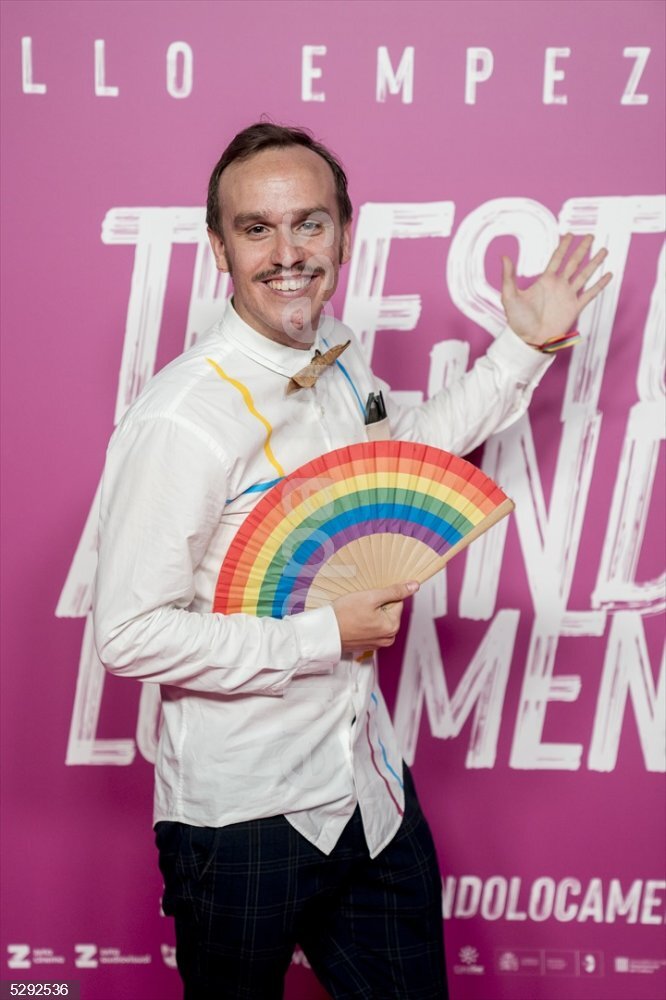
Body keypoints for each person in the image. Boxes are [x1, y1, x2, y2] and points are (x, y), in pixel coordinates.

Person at [93, 122, 611, 1000]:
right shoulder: (184, 418)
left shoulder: (338, 360)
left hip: (366, 790)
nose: (288, 252)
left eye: (310, 224)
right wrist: (318, 637)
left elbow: (400, 458)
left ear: (344, 231)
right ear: (218, 247)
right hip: (242, 819)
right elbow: (130, 635)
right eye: (257, 229)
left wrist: (521, 350)